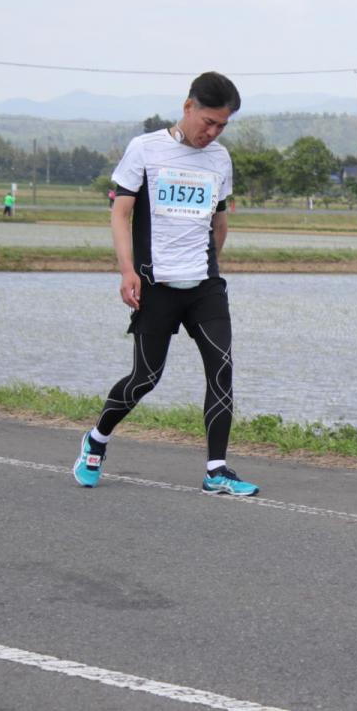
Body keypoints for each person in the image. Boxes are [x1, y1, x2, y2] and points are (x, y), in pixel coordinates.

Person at [72, 72, 258, 498]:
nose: (213, 133)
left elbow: (220, 220)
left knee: (222, 368)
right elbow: (121, 214)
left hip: (204, 286)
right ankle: (96, 440)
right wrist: (127, 271)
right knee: (146, 377)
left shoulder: (219, 159)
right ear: (188, 107)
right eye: (208, 122)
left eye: (222, 126)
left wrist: (209, 265)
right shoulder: (145, 149)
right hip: (155, 285)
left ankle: (216, 470)